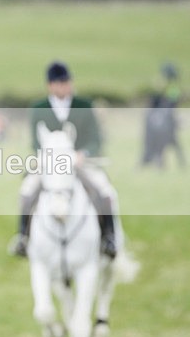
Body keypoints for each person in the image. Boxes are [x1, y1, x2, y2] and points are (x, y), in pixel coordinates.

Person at [10, 61, 119, 259]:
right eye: (59, 83)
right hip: (50, 163)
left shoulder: (84, 105)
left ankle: (109, 237)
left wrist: (83, 153)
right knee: (26, 191)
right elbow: (35, 142)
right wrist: (47, 157)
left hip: (79, 162)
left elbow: (95, 139)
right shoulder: (38, 108)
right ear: (50, 85)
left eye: (67, 82)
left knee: (104, 189)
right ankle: (23, 237)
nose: (64, 86)